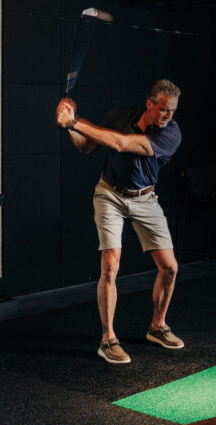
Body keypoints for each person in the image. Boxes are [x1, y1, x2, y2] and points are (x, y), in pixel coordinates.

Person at [57, 80, 184, 364]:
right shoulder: (119, 115)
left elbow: (120, 143)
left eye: (172, 111)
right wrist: (69, 127)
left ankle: (157, 327)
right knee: (111, 265)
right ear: (149, 104)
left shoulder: (171, 135)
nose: (168, 116)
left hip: (145, 199)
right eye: (163, 110)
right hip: (110, 194)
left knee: (170, 268)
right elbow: (87, 147)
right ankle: (108, 339)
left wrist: (75, 120)